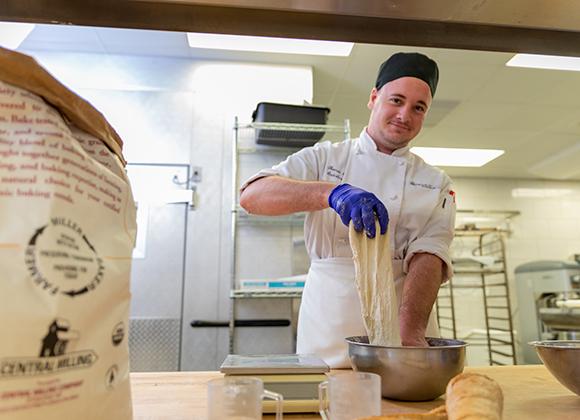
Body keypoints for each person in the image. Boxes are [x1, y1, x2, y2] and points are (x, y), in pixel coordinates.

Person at [239, 52, 456, 368]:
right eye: (396, 100)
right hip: (330, 317)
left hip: (403, 321)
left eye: (418, 107)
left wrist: (409, 332)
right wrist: (332, 193)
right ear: (373, 97)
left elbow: (430, 255)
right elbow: (253, 196)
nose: (404, 114)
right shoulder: (326, 159)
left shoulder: (435, 182)